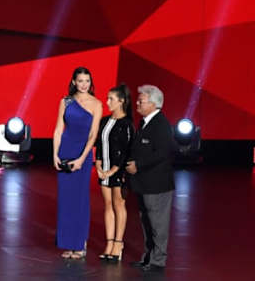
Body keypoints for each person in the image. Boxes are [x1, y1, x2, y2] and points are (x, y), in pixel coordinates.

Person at [53, 66, 102, 259]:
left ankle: (80, 244)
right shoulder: (65, 102)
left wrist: (82, 159)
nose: (84, 84)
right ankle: (68, 243)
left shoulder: (96, 104)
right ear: (74, 82)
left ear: (91, 83)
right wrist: (55, 155)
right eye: (80, 81)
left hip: (83, 153)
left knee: (80, 199)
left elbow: (93, 134)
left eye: (87, 81)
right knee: (66, 200)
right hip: (65, 150)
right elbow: (58, 130)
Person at [126, 85, 175, 272]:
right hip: (144, 183)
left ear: (154, 104)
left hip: (157, 184)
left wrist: (138, 165)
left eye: (141, 101)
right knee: (147, 223)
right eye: (138, 100)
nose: (137, 103)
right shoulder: (144, 122)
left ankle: (158, 260)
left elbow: (162, 153)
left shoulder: (161, 124)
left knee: (158, 224)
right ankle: (148, 257)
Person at [95, 84, 134, 262]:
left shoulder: (127, 124)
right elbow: (99, 145)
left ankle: (118, 243)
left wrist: (112, 170)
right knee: (108, 204)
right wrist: (98, 166)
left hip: (118, 171)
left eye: (111, 99)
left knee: (119, 204)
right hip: (104, 170)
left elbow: (127, 150)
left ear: (121, 101)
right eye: (108, 98)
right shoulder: (104, 121)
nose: (107, 101)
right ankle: (109, 242)